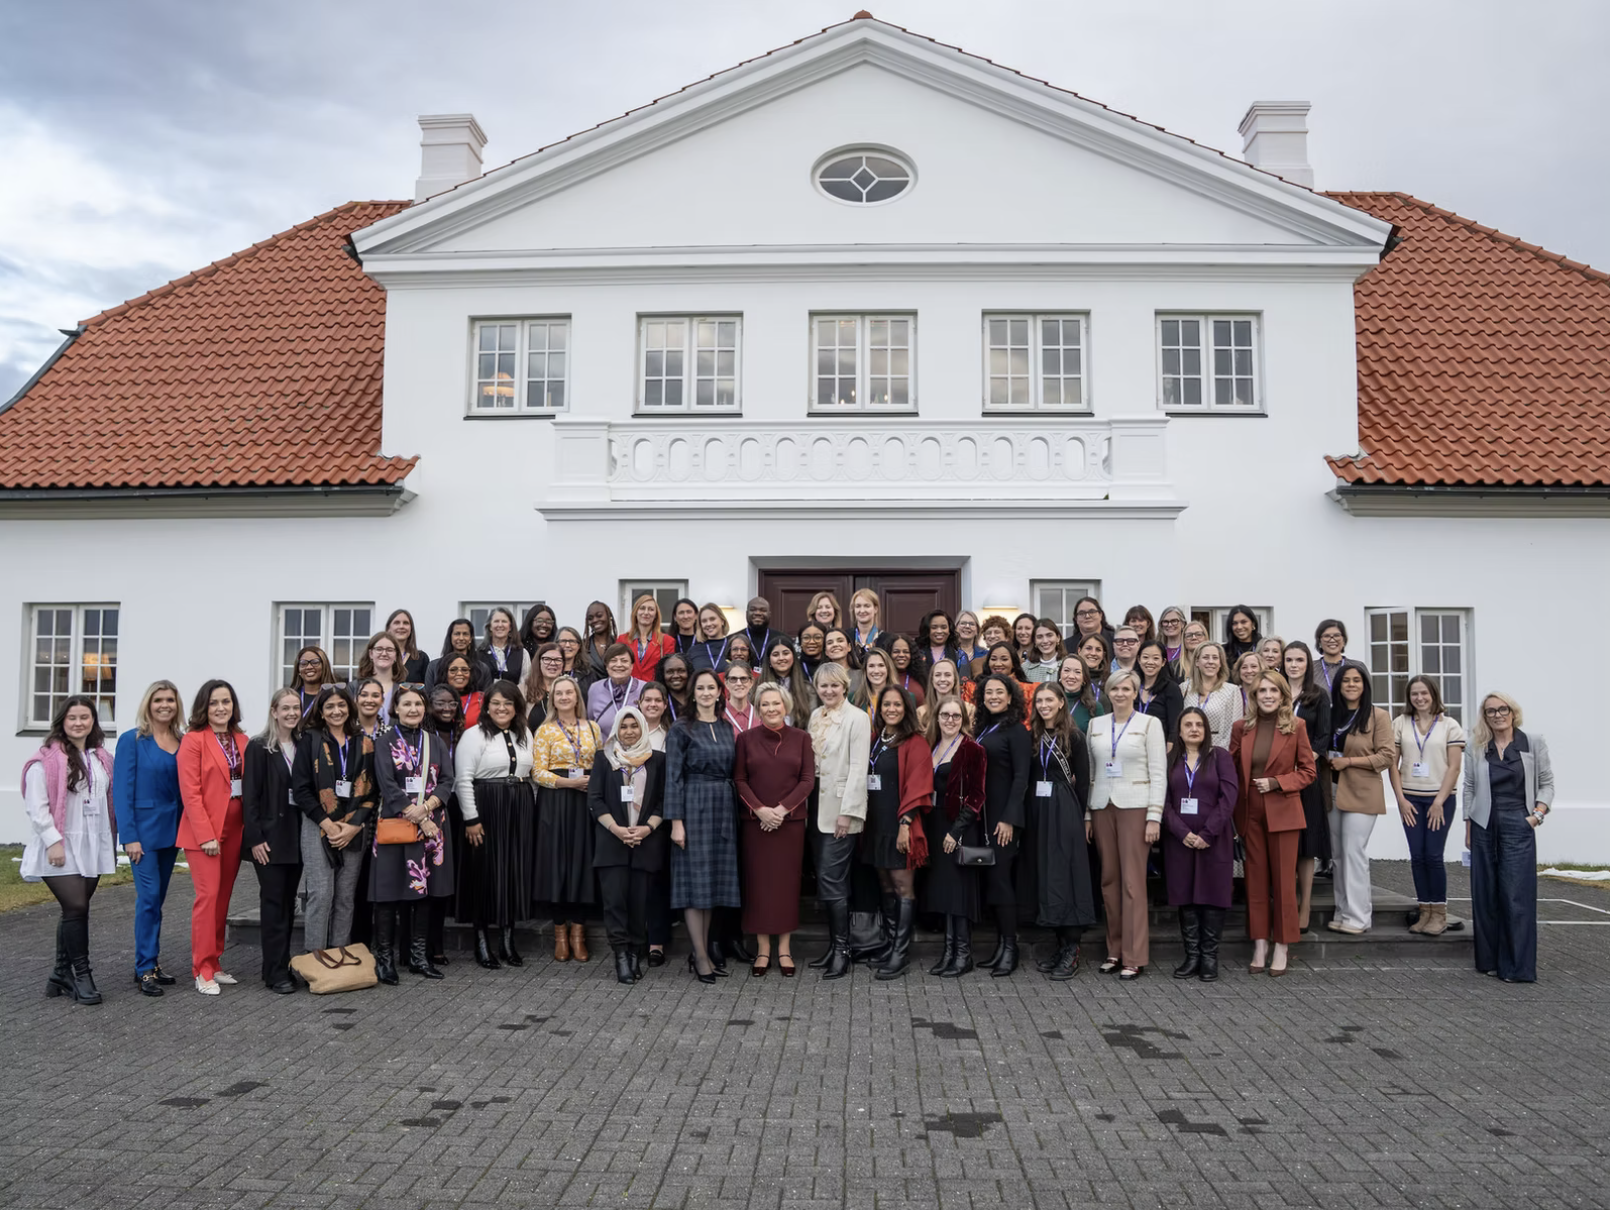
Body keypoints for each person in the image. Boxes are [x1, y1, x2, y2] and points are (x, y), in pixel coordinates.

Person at [22, 696, 116, 1005]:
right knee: (77, 907)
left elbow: (106, 800)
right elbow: (37, 808)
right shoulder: (47, 759)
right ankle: (81, 975)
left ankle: (60, 974)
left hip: (92, 842)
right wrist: (53, 841)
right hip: (61, 844)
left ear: (93, 721)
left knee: (74, 910)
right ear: (62, 721)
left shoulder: (100, 756)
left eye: (85, 717)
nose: (79, 723)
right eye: (73, 717)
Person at [1231, 671, 1317, 976]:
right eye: (1261, 691)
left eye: (1273, 691)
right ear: (1253, 696)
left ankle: (1282, 945)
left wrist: (1278, 782)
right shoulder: (1241, 727)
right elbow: (1231, 769)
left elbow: (1308, 771)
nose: (1267, 695)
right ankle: (1260, 944)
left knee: (1282, 882)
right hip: (1249, 814)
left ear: (1283, 695)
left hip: (1283, 813)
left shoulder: (1296, 727)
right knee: (1254, 881)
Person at [1464, 692, 1552, 983]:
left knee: (1516, 896)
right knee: (1485, 896)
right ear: (1485, 716)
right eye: (1490, 711)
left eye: (1502, 709)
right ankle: (1489, 961)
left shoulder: (1532, 743)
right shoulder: (1477, 746)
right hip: (1483, 824)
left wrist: (1537, 815)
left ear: (1513, 712)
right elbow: (1470, 786)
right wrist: (1468, 825)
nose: (1497, 715)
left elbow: (1547, 783)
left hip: (1519, 822)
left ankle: (1516, 967)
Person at [371, 685, 456, 984]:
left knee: (424, 893)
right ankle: (384, 960)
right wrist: (419, 818)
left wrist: (429, 809)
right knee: (388, 894)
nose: (412, 710)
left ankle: (418, 957)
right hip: (396, 825)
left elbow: (447, 780)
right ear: (395, 708)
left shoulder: (434, 742)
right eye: (406, 704)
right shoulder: (384, 742)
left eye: (418, 705)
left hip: (431, 828)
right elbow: (387, 784)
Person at [1086, 670, 1166, 979]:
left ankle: (1134, 955)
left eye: (1126, 688)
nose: (1120, 693)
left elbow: (1158, 772)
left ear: (1136, 692)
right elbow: (1092, 773)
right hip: (1103, 806)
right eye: (1115, 688)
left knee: (1133, 883)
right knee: (1109, 881)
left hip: (1136, 807)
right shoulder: (1096, 724)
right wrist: (1088, 816)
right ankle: (1114, 950)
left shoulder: (1150, 724)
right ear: (1108, 692)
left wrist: (1154, 816)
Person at [665, 669, 742, 983]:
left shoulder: (726, 727)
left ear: (719, 692)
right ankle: (698, 955)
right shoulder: (681, 729)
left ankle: (705, 951)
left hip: (722, 806)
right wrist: (676, 823)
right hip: (693, 805)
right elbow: (673, 778)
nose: (707, 692)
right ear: (693, 692)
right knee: (694, 884)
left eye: (712, 687)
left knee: (711, 884)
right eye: (701, 688)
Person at [734, 684, 816, 976]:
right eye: (765, 704)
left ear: (786, 706)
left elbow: (807, 780)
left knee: (785, 886)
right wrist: (760, 811)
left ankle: (784, 949)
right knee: (758, 885)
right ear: (758, 708)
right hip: (756, 824)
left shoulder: (802, 738)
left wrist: (781, 811)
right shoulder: (745, 739)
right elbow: (740, 780)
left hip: (789, 825)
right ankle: (762, 950)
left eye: (776, 703)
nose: (771, 709)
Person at [454, 679, 536, 969]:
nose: (502, 708)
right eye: (496, 703)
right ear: (486, 706)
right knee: (485, 873)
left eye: (508, 703)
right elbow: (463, 780)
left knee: (513, 871)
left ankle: (507, 940)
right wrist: (471, 819)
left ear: (517, 707)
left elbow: (532, 773)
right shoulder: (473, 736)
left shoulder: (524, 732)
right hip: (487, 806)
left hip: (519, 806)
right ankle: (481, 942)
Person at [292, 686, 376, 956]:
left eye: (341, 705)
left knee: (345, 897)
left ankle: (339, 956)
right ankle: (314, 959)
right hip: (318, 825)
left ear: (350, 707)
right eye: (329, 707)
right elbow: (301, 790)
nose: (336, 711)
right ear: (321, 711)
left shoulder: (363, 741)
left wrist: (352, 827)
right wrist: (328, 825)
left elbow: (372, 791)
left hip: (353, 828)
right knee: (321, 894)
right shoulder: (310, 740)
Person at [177, 680, 249, 995]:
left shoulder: (242, 739)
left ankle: (215, 961)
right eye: (215, 702)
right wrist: (206, 834)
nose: (221, 708)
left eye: (227, 702)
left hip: (236, 827)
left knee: (222, 898)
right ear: (204, 707)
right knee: (207, 898)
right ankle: (201, 968)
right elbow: (190, 792)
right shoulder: (194, 741)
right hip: (205, 831)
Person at [113, 680, 185, 996]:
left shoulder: (183, 741)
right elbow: (121, 791)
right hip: (142, 835)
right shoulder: (133, 740)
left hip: (171, 832)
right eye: (158, 700)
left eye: (170, 699)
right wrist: (129, 836)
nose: (164, 705)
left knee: (158, 900)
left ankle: (151, 962)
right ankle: (144, 968)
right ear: (149, 704)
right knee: (148, 899)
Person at [589, 706, 668, 983]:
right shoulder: (604, 758)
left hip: (645, 842)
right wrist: (617, 830)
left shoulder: (657, 760)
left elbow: (662, 800)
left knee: (639, 904)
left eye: (635, 726)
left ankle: (635, 952)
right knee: (615, 903)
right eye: (624, 726)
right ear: (617, 729)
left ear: (643, 728)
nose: (630, 731)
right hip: (612, 842)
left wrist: (647, 829)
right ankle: (621, 955)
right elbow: (595, 799)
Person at [862, 687, 934, 980]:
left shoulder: (915, 742)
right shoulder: (877, 739)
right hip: (876, 823)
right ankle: (890, 944)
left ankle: (901, 953)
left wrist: (906, 824)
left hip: (900, 824)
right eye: (886, 704)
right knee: (886, 886)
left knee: (902, 886)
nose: (891, 709)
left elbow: (919, 784)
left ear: (906, 708)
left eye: (897, 704)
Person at [1161, 707, 1238, 982]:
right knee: (1185, 895)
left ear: (1206, 730)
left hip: (1214, 839)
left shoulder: (1219, 757)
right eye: (1188, 725)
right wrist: (1181, 832)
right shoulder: (1170, 759)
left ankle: (1209, 958)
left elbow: (1229, 797)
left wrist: (1208, 832)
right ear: (1179, 731)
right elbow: (1163, 801)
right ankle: (1191, 956)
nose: (1194, 729)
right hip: (1179, 839)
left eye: (1199, 725)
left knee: (1213, 895)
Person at [806, 663, 871, 979]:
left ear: (845, 687)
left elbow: (859, 767)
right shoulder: (815, 716)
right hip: (815, 805)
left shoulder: (858, 718)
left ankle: (843, 950)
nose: (829, 691)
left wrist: (849, 812)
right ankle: (834, 946)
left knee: (833, 879)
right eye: (823, 686)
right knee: (828, 879)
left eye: (834, 685)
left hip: (840, 809)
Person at [1028, 684, 1097, 981]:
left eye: (1049, 700)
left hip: (1065, 810)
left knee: (1067, 876)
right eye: (1039, 700)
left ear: (1060, 703)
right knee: (1048, 875)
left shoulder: (1074, 738)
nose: (1044, 705)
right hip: (1039, 810)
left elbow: (1082, 781)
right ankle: (1059, 943)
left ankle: (1073, 947)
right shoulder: (1032, 736)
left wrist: (1082, 816)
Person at [1389, 676, 1467, 936]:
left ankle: (1439, 914)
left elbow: (1454, 767)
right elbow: (1393, 765)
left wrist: (1439, 802)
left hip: (1439, 799)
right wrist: (1400, 800)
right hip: (1410, 799)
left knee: (1433, 856)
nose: (1419, 698)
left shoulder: (1450, 725)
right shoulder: (1400, 723)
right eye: (1414, 694)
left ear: (1433, 694)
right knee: (1417, 857)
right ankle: (1424, 912)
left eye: (1424, 693)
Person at [532, 675, 601, 963]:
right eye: (558, 693)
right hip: (556, 800)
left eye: (568, 692)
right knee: (557, 863)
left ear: (577, 697)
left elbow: (602, 763)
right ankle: (560, 934)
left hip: (586, 800)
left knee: (582, 862)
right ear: (552, 698)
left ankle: (579, 934)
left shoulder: (593, 728)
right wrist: (570, 784)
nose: (563, 697)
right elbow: (538, 772)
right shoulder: (545, 731)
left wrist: (592, 784)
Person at [1326, 665, 1396, 935]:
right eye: (1346, 680)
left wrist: (1350, 762)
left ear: (1365, 685)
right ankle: (1343, 912)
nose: (1351, 685)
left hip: (1362, 791)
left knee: (1354, 853)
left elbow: (1387, 756)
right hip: (1332, 790)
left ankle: (1359, 917)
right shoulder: (1333, 715)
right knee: (1338, 856)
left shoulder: (1378, 716)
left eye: (1357, 680)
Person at [919, 697, 985, 977]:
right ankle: (948, 952)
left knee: (959, 892)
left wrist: (956, 831)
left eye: (955, 716)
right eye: (945, 715)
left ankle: (963, 954)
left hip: (958, 828)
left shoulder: (973, 749)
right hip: (934, 824)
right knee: (944, 892)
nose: (950, 720)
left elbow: (977, 795)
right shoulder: (931, 746)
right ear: (937, 717)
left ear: (963, 719)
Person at [243, 689, 304, 995]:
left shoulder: (303, 744)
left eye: (296, 708)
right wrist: (254, 839)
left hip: (296, 838)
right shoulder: (258, 747)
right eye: (286, 708)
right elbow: (250, 797)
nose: (292, 713)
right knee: (273, 904)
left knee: (288, 905)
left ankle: (283, 964)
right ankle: (273, 972)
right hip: (269, 840)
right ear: (274, 711)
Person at [972, 673, 1031, 975]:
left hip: (1003, 818)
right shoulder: (982, 728)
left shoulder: (1016, 731)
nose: (993, 696)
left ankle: (1011, 947)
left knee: (1001, 880)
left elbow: (1022, 777)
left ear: (1010, 697)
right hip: (982, 815)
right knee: (991, 881)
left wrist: (1009, 818)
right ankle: (999, 946)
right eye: (988, 692)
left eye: (999, 692)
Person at [1282, 642, 1332, 931]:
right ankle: (1287, 903)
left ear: (1307, 664)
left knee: (1306, 846)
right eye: (1289, 659)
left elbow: (1323, 737)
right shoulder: (1275, 691)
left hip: (1306, 778)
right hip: (1280, 779)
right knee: (1285, 845)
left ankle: (1306, 905)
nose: (1293, 665)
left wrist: (1301, 763)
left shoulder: (1318, 697)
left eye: (1299, 659)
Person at [422, 686, 464, 968]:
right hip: (423, 813)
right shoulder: (423, 737)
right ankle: (416, 945)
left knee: (441, 883)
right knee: (419, 882)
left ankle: (435, 943)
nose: (447, 708)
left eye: (452, 703)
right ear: (429, 705)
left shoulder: (463, 735)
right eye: (440, 703)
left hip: (456, 811)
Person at [1183, 642, 1240, 750]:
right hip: (1188, 752)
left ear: (1220, 663)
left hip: (1217, 752)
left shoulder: (1232, 691)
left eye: (1215, 658)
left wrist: (1218, 754)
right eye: (1205, 657)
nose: (1210, 662)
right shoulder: (1184, 688)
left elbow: (1232, 729)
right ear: (1197, 662)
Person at [587, 642, 645, 736]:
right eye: (613, 660)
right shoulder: (594, 689)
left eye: (624, 661)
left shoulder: (644, 689)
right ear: (606, 666)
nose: (619, 665)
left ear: (632, 666)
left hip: (637, 749)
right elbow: (590, 721)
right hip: (603, 748)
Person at [760, 637, 817, 727]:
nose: (781, 658)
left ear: (793, 657)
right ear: (769, 660)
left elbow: (813, 723)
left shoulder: (808, 690)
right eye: (775, 654)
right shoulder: (757, 689)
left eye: (786, 653)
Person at [1135, 640, 1183, 745]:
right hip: (1132, 747)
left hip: (1159, 749)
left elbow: (1174, 728)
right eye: (1145, 657)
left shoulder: (1171, 688)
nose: (1150, 662)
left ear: (1163, 662)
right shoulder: (1132, 686)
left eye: (1156, 658)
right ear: (1138, 659)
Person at [620, 594, 676, 682]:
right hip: (628, 691)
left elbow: (669, 671)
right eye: (642, 608)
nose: (646, 612)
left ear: (656, 615)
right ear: (635, 612)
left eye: (651, 609)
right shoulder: (622, 640)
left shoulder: (667, 641)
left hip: (654, 692)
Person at [352, 632, 402, 719]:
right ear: (371, 654)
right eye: (379, 649)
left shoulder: (402, 690)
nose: (384, 654)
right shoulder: (354, 687)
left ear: (396, 656)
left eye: (389, 650)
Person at [425, 619, 480, 695]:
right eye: (457, 634)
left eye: (465, 634)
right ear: (450, 637)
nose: (461, 638)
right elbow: (428, 696)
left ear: (471, 638)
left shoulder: (481, 669)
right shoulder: (434, 666)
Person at [1314, 618, 1366, 697]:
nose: (1332, 640)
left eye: (1336, 635)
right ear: (1319, 641)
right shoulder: (1311, 668)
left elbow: (1367, 696)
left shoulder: (1358, 666)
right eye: (1326, 636)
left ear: (1344, 640)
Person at [480, 607, 529, 686]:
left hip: (513, 697)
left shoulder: (522, 653)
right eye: (496, 621)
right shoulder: (479, 653)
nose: (500, 625)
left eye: (504, 621)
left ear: (510, 627)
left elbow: (526, 683)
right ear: (490, 626)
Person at [289, 646, 337, 727]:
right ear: (298, 669)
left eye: (315, 662)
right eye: (303, 663)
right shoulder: (290, 696)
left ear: (324, 666)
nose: (309, 667)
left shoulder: (334, 696)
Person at [918, 658, 973, 729]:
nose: (942, 679)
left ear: (955, 679)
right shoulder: (921, 712)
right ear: (932, 680)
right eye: (937, 675)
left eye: (947, 675)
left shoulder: (969, 710)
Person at [1056, 656, 1104, 733]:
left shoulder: (1095, 707)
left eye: (1077, 672)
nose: (1071, 676)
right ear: (1060, 674)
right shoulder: (1049, 703)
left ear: (1084, 678)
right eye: (1066, 670)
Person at [522, 642, 565, 730]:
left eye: (558, 660)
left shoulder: (569, 690)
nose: (552, 663)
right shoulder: (523, 690)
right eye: (547, 659)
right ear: (538, 662)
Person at [911, 609, 960, 683]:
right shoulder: (917, 653)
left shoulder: (959, 655)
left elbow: (964, 684)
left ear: (949, 630)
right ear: (927, 630)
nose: (939, 631)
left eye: (943, 627)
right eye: (934, 627)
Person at [581, 601, 619, 689]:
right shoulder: (583, 646)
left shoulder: (619, 643)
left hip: (617, 694)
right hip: (590, 695)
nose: (595, 620)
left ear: (609, 616)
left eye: (599, 615)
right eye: (590, 618)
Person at [440, 654, 484, 729]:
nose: (460, 674)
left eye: (464, 670)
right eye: (453, 670)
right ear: (445, 673)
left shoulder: (482, 698)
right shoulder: (435, 699)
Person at [386, 609, 429, 683]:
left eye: (406, 623)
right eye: (397, 623)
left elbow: (427, 690)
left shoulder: (421, 658)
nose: (401, 626)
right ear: (388, 628)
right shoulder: (381, 655)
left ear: (411, 629)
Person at [687, 604, 733, 673]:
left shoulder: (733, 647)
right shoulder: (693, 651)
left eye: (712, 619)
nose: (708, 624)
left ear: (722, 621)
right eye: (704, 621)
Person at [853, 648, 897, 720]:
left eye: (881, 665)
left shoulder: (905, 697)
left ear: (888, 669)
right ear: (865, 670)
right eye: (871, 666)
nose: (876, 671)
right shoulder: (853, 698)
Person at [1075, 633, 1113, 708]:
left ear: (1103, 655)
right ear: (1079, 651)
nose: (1093, 653)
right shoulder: (1071, 678)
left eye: (1098, 650)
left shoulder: (1111, 680)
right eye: (1088, 648)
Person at [821, 628, 863, 694]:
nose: (835, 645)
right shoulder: (821, 677)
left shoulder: (862, 675)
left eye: (840, 641)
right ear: (826, 651)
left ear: (849, 647)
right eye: (830, 643)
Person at [721, 661, 759, 733]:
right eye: (733, 679)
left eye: (743, 679)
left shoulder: (760, 715)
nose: (739, 683)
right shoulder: (717, 715)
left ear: (751, 682)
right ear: (726, 683)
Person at [848, 588, 888, 659]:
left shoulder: (887, 639)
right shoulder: (846, 636)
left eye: (867, 606)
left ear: (875, 609)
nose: (862, 610)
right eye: (858, 606)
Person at [887, 635, 925, 706]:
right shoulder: (882, 679)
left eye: (906, 652)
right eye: (896, 651)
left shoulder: (921, 678)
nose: (901, 655)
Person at [659, 652, 693, 722]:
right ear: (663, 675)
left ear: (688, 672)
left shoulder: (698, 698)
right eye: (670, 672)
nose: (676, 676)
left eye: (681, 671)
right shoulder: (659, 701)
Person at [639, 682, 672, 751]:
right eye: (648, 700)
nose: (653, 704)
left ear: (665, 704)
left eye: (658, 700)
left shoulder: (671, 734)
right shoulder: (628, 731)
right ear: (640, 703)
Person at [1232, 650, 1265, 717]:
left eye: (1253, 666)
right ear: (1238, 671)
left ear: (1261, 669)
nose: (1249, 671)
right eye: (1244, 667)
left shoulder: (1267, 693)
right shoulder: (1232, 694)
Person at [1177, 619, 1210, 685]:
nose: (1194, 638)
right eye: (1189, 635)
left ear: (1205, 638)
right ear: (1183, 640)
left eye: (1198, 634)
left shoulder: (1214, 663)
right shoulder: (1173, 667)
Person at [1157, 606, 1188, 672]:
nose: (1170, 625)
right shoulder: (1156, 649)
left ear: (1183, 624)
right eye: (1166, 621)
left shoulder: (1189, 649)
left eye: (1174, 621)